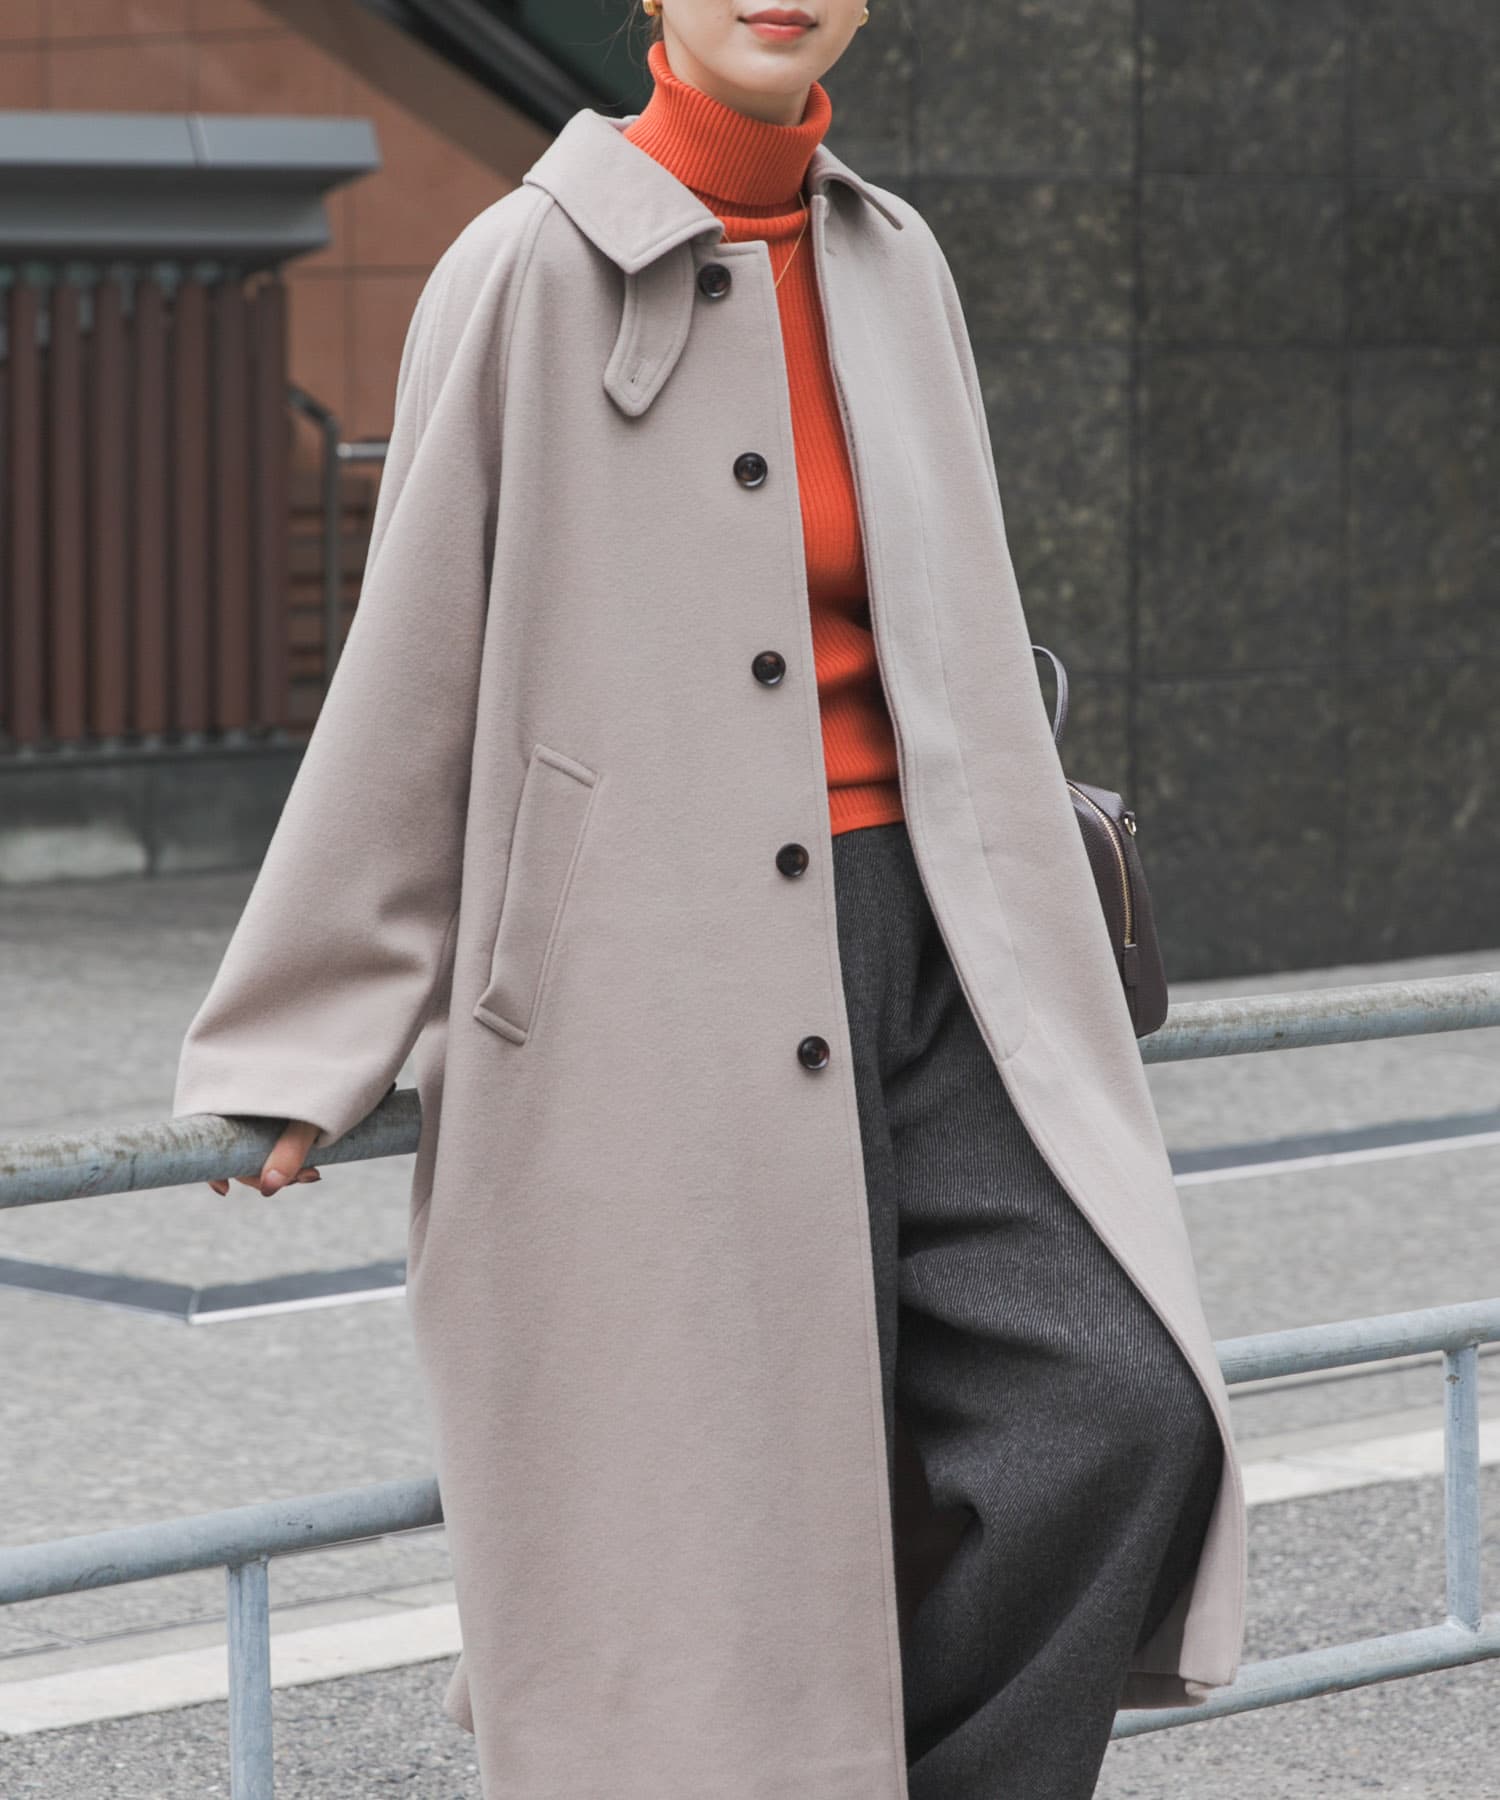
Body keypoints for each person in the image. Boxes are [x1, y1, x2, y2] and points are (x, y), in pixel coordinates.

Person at [180, 5, 1242, 1796]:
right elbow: (412, 665)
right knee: (728, 1513)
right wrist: (308, 1028)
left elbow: (969, 625)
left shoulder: (898, 260)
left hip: (941, 946)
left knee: (1115, 1407)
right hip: (649, 983)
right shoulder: (521, 268)